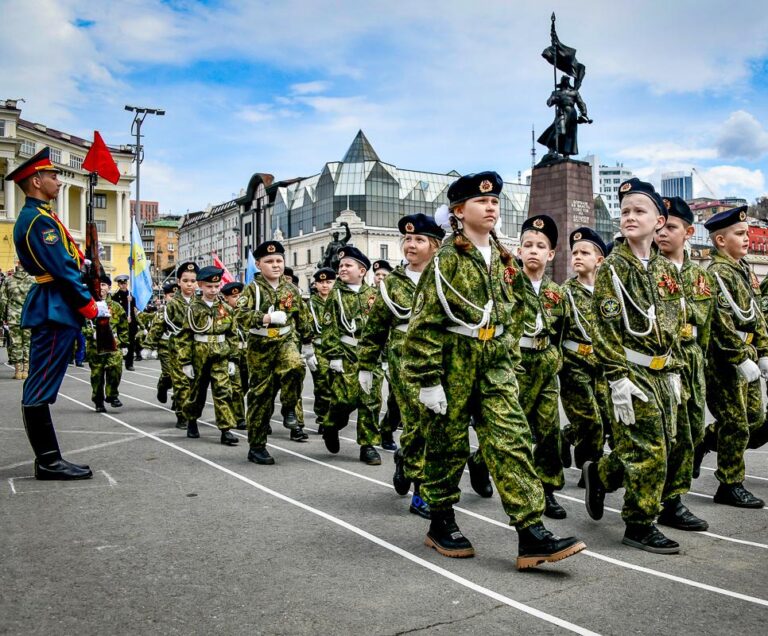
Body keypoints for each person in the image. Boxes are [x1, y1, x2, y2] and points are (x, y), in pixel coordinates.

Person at [402, 171, 585, 569]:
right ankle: (441, 519)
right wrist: (428, 380)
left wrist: (507, 352)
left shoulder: (504, 257)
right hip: (453, 361)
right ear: (458, 210)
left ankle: (530, 532)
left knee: (512, 439)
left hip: (495, 363)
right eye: (481, 201)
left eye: (495, 202)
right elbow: (423, 325)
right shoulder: (447, 261)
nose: (490, 207)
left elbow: (521, 307)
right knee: (448, 445)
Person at [582, 177, 685, 554]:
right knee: (649, 450)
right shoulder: (612, 269)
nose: (629, 217)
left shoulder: (666, 271)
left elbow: (672, 322)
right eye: (624, 211)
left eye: (639, 211)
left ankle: (602, 474)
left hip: (660, 370)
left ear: (659, 220)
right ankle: (639, 523)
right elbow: (604, 328)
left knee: (663, 443)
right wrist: (617, 378)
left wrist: (672, 368)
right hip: (630, 369)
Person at [8, 147, 106, 480]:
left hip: (56, 304)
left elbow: (66, 263)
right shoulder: (38, 221)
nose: (59, 180)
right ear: (36, 181)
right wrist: (91, 307)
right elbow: (61, 271)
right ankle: (48, 461)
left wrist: (85, 263)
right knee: (39, 387)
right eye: (53, 175)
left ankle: (49, 458)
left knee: (41, 384)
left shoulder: (41, 216)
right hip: (55, 307)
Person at [359, 213, 445, 517]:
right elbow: (376, 327)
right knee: (418, 421)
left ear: (435, 245)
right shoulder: (391, 283)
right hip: (404, 358)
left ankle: (405, 458)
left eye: (419, 239)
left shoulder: (445, 277)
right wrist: (366, 365)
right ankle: (421, 492)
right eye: (407, 239)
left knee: (439, 425)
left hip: (441, 357)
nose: (411, 244)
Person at [700, 206, 767, 508]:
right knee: (736, 422)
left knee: (754, 420)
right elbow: (719, 322)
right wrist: (740, 357)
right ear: (720, 241)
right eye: (739, 234)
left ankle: (705, 441)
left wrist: (763, 351)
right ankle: (729, 483)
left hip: (748, 353)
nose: (747, 238)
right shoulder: (716, 273)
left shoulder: (743, 270)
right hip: (726, 360)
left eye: (747, 233)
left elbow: (756, 317)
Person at [653, 197, 710, 529]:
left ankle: (672, 498)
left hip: (690, 358)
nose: (664, 233)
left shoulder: (696, 273)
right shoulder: (650, 268)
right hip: (664, 358)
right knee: (664, 435)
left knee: (690, 432)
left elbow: (704, 316)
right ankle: (668, 502)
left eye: (671, 227)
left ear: (688, 232)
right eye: (661, 226)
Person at [235, 241, 316, 465]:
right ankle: (257, 446)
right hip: (260, 346)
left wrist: (308, 344)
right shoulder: (252, 289)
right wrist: (265, 318)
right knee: (260, 397)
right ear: (259, 264)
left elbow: (302, 316)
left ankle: (289, 406)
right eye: (269, 261)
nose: (275, 265)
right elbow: (239, 316)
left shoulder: (290, 289)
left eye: (279, 260)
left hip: (285, 339)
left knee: (295, 366)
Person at [516, 214, 568, 519]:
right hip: (516, 365)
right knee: (515, 429)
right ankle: (481, 462)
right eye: (528, 245)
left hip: (545, 366)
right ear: (519, 250)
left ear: (550, 254)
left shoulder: (556, 294)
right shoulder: (508, 285)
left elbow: (560, 334)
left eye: (540, 246)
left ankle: (547, 489)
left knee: (549, 431)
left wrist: (556, 360)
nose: (533, 250)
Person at [559, 228, 614, 475]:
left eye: (584, 252)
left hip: (603, 365)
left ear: (599, 260)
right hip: (575, 365)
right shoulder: (564, 292)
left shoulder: (609, 292)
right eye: (574, 253)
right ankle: (590, 468)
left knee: (606, 418)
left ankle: (567, 436)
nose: (577, 257)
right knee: (591, 420)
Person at [323, 245, 384, 465]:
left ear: (362, 271)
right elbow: (329, 327)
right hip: (346, 352)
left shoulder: (374, 295)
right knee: (344, 399)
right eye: (341, 265)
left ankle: (367, 445)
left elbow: (381, 327)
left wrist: (384, 357)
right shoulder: (335, 295)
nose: (342, 269)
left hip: (369, 354)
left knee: (370, 400)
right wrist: (334, 355)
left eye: (348, 265)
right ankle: (331, 425)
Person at [176, 266, 239, 445]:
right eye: (209, 286)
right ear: (201, 286)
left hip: (220, 354)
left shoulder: (226, 308)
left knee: (223, 391)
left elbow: (232, 335)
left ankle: (226, 429)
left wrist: (233, 358)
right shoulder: (193, 309)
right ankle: (192, 420)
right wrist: (185, 361)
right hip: (199, 355)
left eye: (216, 286)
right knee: (197, 392)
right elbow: (185, 336)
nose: (213, 290)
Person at [144, 262, 199, 429]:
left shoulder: (202, 302)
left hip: (198, 348)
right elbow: (159, 324)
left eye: (193, 281)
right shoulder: (173, 304)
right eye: (186, 280)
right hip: (177, 349)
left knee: (193, 384)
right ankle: (182, 416)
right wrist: (149, 345)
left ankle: (190, 411)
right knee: (181, 383)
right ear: (179, 282)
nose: (189, 284)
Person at [84, 274, 128, 412]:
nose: (101, 288)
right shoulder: (88, 306)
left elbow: (123, 327)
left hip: (113, 345)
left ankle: (112, 395)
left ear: (109, 287)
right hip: (95, 346)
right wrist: (92, 334)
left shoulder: (116, 306)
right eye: (98, 284)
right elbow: (82, 325)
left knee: (115, 369)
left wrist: (123, 343)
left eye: (103, 285)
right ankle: (98, 400)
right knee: (97, 375)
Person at [307, 268, 336, 436]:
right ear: (315, 284)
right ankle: (323, 417)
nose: (325, 285)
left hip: (337, 348)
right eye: (321, 282)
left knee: (337, 385)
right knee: (322, 384)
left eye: (328, 282)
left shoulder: (337, 301)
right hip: (319, 348)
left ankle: (332, 416)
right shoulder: (311, 304)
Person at [220, 281, 248, 430]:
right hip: (231, 354)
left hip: (248, 354)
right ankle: (239, 418)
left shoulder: (246, 311)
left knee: (246, 385)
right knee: (235, 387)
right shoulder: (222, 313)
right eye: (235, 296)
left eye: (240, 295)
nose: (239, 299)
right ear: (226, 298)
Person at [0, 262, 34, 379]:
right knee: (28, 344)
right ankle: (26, 370)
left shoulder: (8, 281)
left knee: (15, 344)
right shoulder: (33, 281)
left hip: (13, 317)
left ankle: (17, 371)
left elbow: (3, 301)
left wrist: (2, 317)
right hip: (29, 317)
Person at [111, 274, 138, 370]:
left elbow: (133, 309)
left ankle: (129, 363)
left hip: (130, 324)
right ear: (118, 284)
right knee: (119, 343)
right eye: (121, 283)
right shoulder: (115, 297)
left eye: (125, 283)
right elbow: (114, 311)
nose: (123, 285)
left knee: (131, 344)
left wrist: (130, 301)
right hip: (120, 324)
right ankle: (117, 362)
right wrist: (124, 318)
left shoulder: (131, 296)